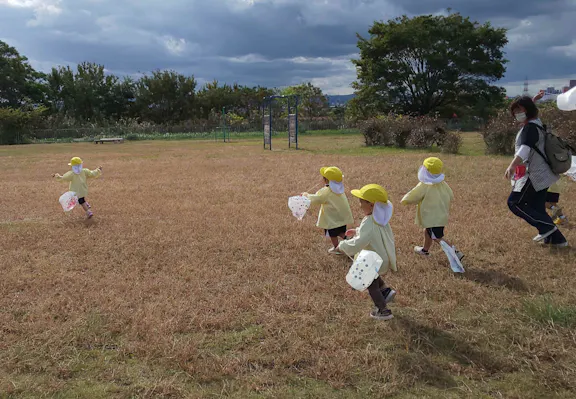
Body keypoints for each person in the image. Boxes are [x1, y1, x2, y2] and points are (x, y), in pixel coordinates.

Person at [505, 96, 568, 247]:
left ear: (528, 111)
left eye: (519, 111)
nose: (517, 114)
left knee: (514, 202)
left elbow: (525, 148)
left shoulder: (530, 128)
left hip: (534, 174)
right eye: (515, 112)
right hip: (543, 173)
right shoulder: (537, 123)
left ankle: (547, 227)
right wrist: (534, 100)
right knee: (537, 207)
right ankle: (558, 240)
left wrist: (512, 165)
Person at [337, 184, 397, 321]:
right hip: (381, 257)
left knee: (370, 284)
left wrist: (343, 245)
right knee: (374, 277)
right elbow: (371, 233)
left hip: (373, 259)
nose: (359, 205)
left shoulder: (369, 222)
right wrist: (357, 231)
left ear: (371, 205)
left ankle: (383, 310)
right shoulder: (380, 219)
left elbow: (359, 243)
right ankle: (386, 292)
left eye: (361, 202)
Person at [401, 157, 464, 259]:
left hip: (432, 218)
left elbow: (414, 195)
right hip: (440, 215)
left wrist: (405, 200)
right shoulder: (442, 183)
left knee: (437, 237)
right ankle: (425, 250)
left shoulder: (424, 185)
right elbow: (451, 195)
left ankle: (455, 252)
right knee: (428, 232)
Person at [302, 167, 354, 254]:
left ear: (326, 180)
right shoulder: (340, 189)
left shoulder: (326, 191)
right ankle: (348, 241)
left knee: (332, 234)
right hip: (340, 216)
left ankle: (336, 248)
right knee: (341, 231)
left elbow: (317, 199)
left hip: (331, 219)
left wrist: (306, 195)